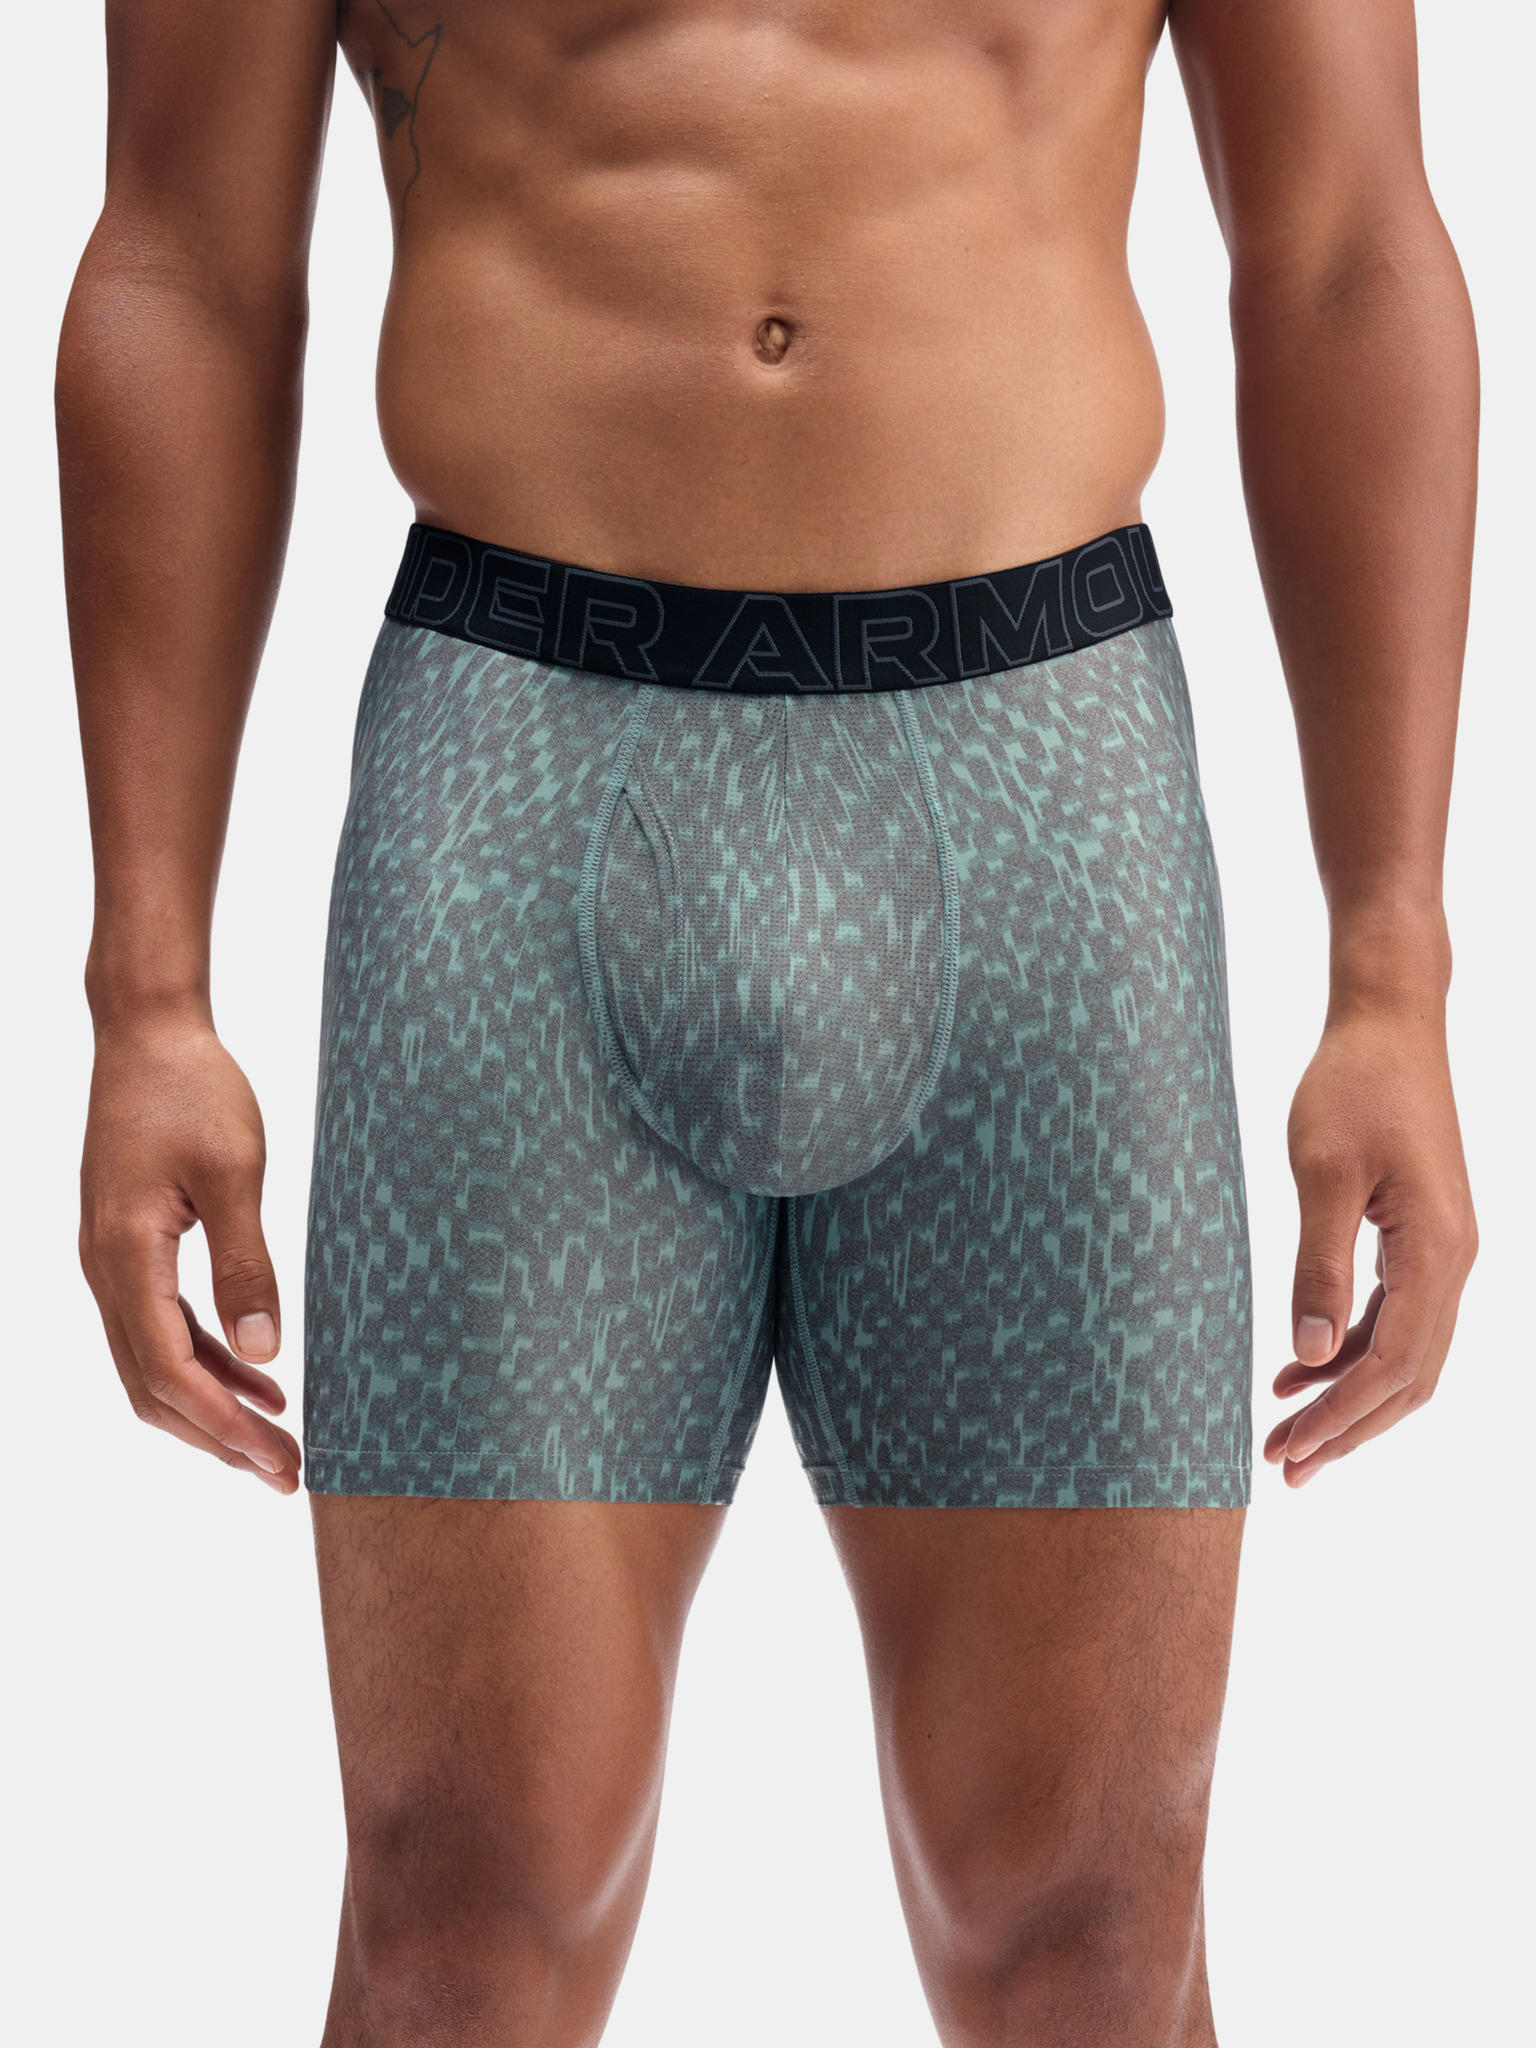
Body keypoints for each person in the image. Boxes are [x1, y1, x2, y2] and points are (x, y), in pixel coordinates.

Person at [57, 1, 1478, 2041]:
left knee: (1088, 1930)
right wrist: (147, 995)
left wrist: (1394, 974)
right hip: (519, 784)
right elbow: (185, 265)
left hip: (1044, 790)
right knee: (465, 1911)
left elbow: (1346, 254)